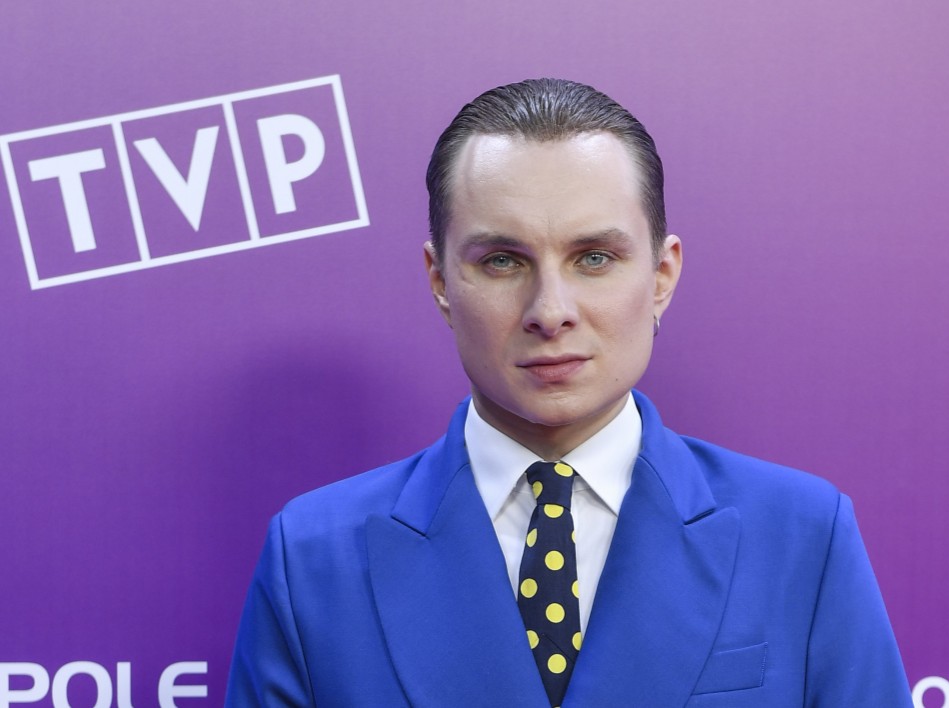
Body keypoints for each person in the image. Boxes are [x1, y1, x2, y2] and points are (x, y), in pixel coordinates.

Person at [227, 78, 911, 707]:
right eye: (503, 261)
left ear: (662, 275)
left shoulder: (801, 536)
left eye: (594, 258)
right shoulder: (313, 558)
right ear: (440, 282)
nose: (550, 311)